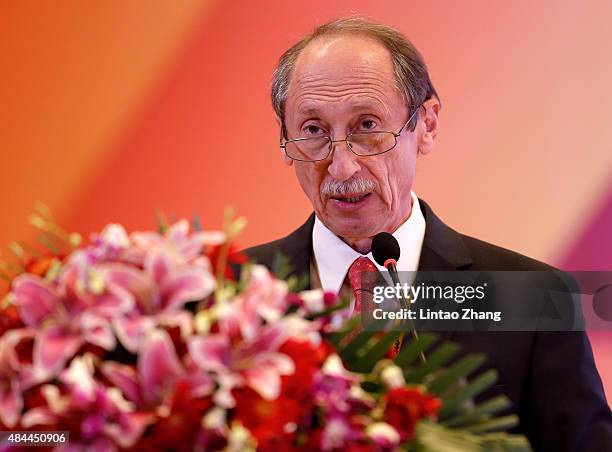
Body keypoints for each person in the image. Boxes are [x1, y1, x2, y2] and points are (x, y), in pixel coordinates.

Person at [243, 17, 612, 450]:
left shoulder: (532, 298)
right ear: (284, 139)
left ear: (427, 124)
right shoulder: (233, 295)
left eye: (367, 126)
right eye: (313, 131)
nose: (340, 167)